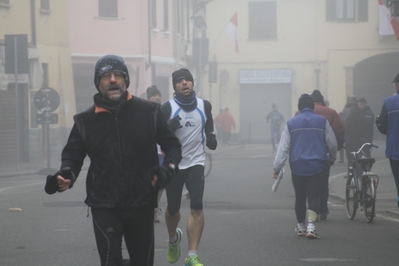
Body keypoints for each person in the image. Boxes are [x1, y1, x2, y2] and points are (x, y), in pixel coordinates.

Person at [44, 54, 182, 266]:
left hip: (142, 203)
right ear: (98, 82)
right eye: (106, 76)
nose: (113, 80)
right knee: (110, 262)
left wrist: (168, 169)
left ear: (125, 80)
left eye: (118, 75)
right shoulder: (85, 121)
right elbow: (72, 157)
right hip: (104, 205)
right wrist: (66, 176)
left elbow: (172, 145)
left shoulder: (149, 112)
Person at [161, 68, 217, 266]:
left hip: (196, 162)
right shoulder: (167, 108)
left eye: (188, 80)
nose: (184, 83)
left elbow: (208, 122)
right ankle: (172, 239)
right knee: (173, 209)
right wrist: (168, 127)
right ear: (175, 86)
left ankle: (192, 256)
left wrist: (211, 136)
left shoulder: (204, 105)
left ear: (193, 83)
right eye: (180, 81)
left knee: (197, 206)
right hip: (174, 163)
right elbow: (156, 135)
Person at [272, 94, 337, 239]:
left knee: (300, 197)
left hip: (297, 166)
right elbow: (332, 144)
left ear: (299, 107)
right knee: (314, 196)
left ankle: (301, 226)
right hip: (317, 166)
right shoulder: (322, 122)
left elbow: (283, 148)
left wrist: (277, 167)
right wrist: (332, 158)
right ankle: (311, 227)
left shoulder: (291, 124)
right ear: (313, 107)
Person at [295, 90, 344, 221]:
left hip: (302, 155)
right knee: (323, 183)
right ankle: (322, 210)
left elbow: (293, 132)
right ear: (322, 100)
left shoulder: (298, 114)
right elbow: (338, 132)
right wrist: (335, 152)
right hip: (323, 155)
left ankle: (310, 213)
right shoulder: (331, 112)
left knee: (306, 187)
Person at [376, 73, 399, 208]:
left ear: (397, 85)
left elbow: (382, 126)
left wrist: (391, 132)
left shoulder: (389, 103)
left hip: (395, 150)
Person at [147, 85, 165, 223]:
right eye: (154, 95)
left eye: (159, 95)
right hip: (148, 153)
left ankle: (154, 207)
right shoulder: (143, 111)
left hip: (162, 153)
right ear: (149, 98)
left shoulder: (164, 111)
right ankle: (147, 207)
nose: (157, 97)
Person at [340, 95, 364, 173]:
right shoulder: (360, 110)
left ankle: (351, 171)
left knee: (350, 155)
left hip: (350, 136)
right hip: (359, 135)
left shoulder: (349, 110)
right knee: (358, 153)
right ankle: (359, 170)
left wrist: (342, 116)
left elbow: (345, 122)